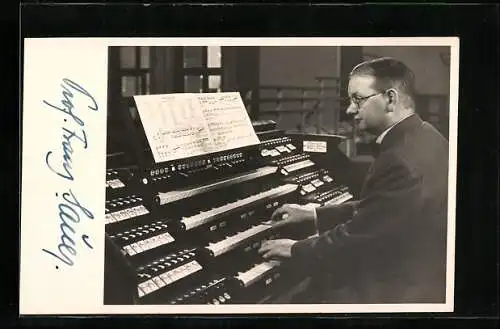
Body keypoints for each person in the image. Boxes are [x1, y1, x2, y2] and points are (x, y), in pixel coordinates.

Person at [258, 57, 449, 304]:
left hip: (399, 289)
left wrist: (294, 248)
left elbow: (357, 237)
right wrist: (315, 214)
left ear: (390, 98)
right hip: (419, 271)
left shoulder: (398, 158)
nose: (349, 110)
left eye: (358, 99)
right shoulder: (427, 135)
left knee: (296, 301)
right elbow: (386, 208)